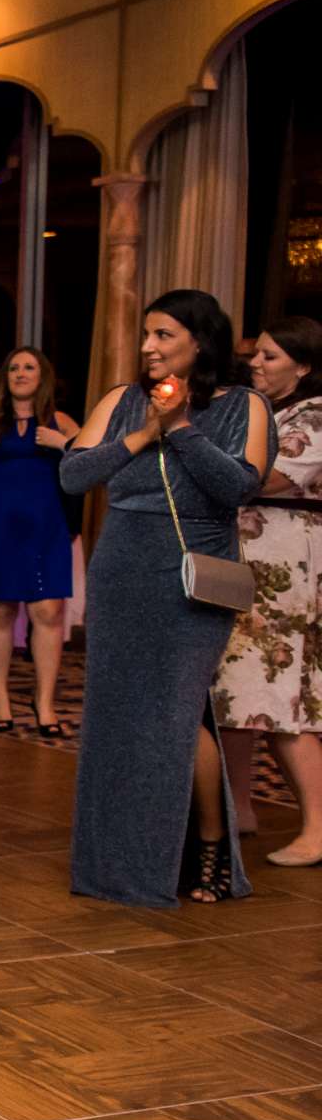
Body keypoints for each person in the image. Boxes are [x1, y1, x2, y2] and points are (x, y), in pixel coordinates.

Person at [62, 289, 275, 905]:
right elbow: (74, 476)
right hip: (123, 566)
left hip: (194, 573)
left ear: (200, 342)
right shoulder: (122, 400)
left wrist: (181, 429)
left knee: (173, 714)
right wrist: (144, 432)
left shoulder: (244, 405)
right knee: (115, 717)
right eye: (147, 335)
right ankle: (116, 865)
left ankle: (208, 847)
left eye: (164, 335)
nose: (149, 346)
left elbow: (238, 487)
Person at [216, 318, 322, 866]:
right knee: (234, 686)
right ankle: (238, 805)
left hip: (284, 563)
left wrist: (206, 461)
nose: (255, 363)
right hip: (246, 558)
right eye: (256, 355)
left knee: (281, 696)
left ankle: (318, 826)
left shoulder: (315, 414)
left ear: (303, 366)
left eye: (271, 357)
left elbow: (270, 479)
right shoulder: (261, 411)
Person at [0, 347, 79, 734]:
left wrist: (61, 443)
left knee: (48, 613)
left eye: (29, 367)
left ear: (44, 376)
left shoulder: (60, 421)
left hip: (46, 528)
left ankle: (44, 704)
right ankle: (1, 702)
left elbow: (90, 463)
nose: (20, 373)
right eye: (13, 368)